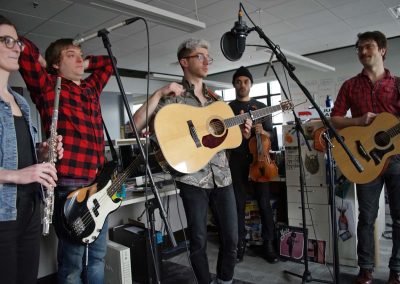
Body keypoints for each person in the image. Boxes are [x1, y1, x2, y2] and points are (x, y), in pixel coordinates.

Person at [133, 38, 252, 284]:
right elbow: (134, 125)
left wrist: (244, 132)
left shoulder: (216, 100)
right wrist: (159, 92)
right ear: (184, 62)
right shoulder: (172, 98)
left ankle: (225, 280)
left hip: (222, 175)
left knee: (232, 239)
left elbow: (226, 138)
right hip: (192, 178)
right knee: (198, 240)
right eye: (201, 56)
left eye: (209, 56)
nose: (207, 60)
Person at [18, 31, 114, 283]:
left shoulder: (91, 88)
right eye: (71, 56)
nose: (80, 60)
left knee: (97, 256)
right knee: (73, 261)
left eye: (81, 56)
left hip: (98, 184)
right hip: (69, 184)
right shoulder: (49, 86)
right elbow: (22, 47)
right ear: (56, 65)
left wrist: (83, 58)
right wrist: (44, 62)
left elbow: (109, 62)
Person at [331, 31, 400, 284]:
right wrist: (358, 121)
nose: (362, 52)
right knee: (366, 217)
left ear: (382, 50)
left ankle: (397, 271)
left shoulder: (398, 84)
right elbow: (335, 118)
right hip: (365, 159)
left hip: (396, 158)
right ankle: (366, 269)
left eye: (368, 47)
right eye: (359, 48)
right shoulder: (350, 85)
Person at [0, 15, 63, 284]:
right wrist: (19, 175)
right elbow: (17, 170)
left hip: (29, 209)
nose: (17, 47)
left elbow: (16, 154)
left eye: (18, 42)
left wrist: (41, 153)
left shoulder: (19, 101)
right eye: (7, 40)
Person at [228, 66, 279, 263]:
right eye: (239, 81)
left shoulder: (262, 107)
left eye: (246, 81)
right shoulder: (228, 108)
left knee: (264, 204)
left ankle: (269, 245)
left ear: (251, 84)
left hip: (260, 160)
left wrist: (264, 132)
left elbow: (273, 138)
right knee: (238, 205)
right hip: (238, 160)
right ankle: (239, 246)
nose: (242, 85)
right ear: (234, 84)